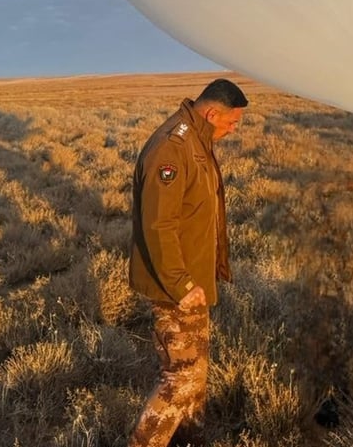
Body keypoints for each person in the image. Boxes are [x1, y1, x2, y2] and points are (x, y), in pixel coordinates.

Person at [128, 78, 248, 447]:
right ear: (212, 113)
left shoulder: (197, 140)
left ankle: (189, 441)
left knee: (195, 379)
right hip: (174, 286)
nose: (233, 129)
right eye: (232, 122)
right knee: (180, 380)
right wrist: (181, 285)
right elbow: (158, 225)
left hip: (192, 282)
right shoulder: (172, 148)